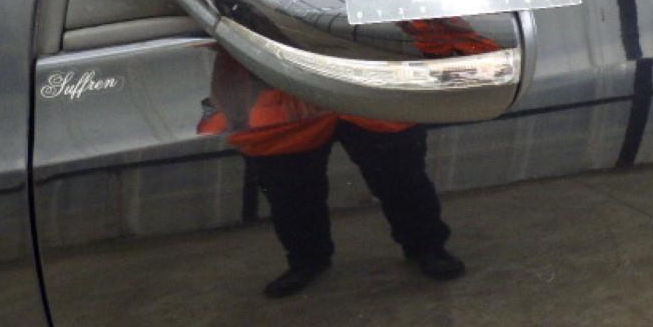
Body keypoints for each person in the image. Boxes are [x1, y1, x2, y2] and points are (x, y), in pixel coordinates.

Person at [199, 49, 464, 298]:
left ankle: (426, 247)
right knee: (289, 190)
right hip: (278, 85)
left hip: (367, 76)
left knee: (401, 175)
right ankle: (306, 260)